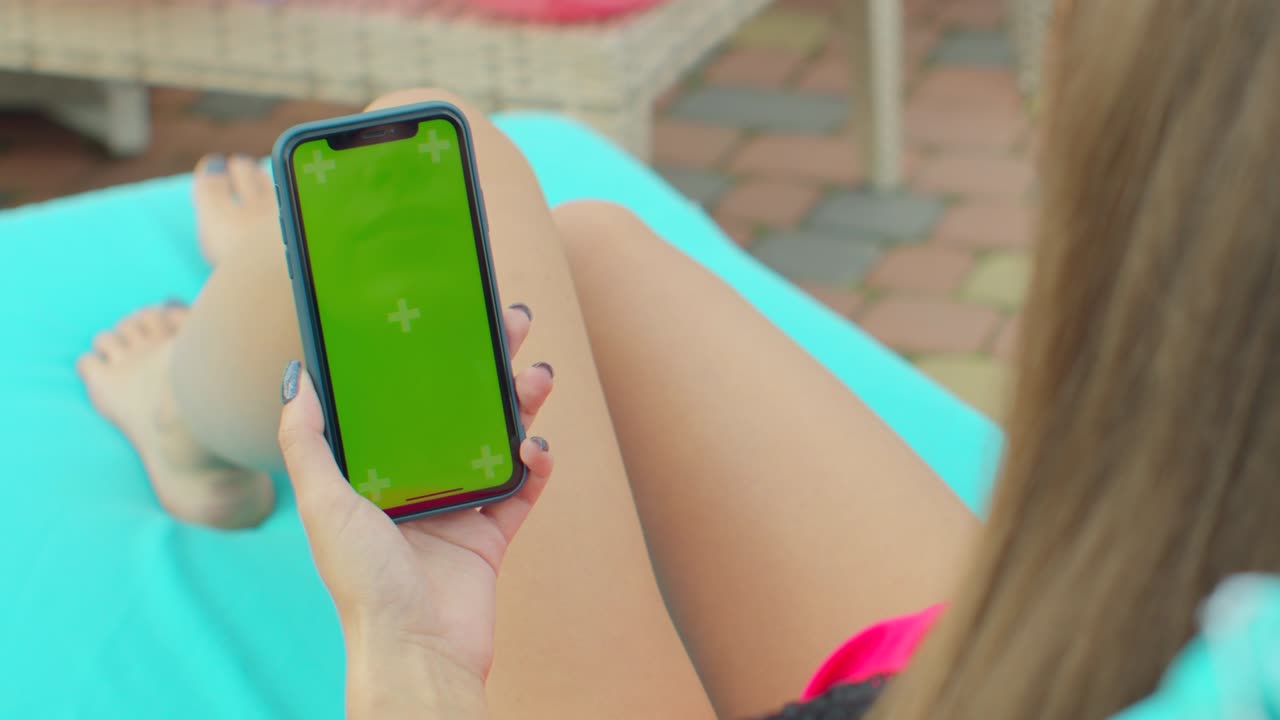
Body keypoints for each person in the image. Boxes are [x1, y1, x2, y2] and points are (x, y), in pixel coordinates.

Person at [75, 0, 1280, 716]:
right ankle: (273, 313)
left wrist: (415, 664)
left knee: (451, 172)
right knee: (579, 253)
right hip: (1041, 678)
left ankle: (213, 399)